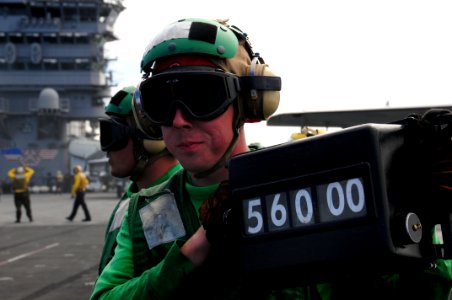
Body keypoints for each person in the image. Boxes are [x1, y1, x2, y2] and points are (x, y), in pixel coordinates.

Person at [90, 18, 297, 299]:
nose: (178, 120)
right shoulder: (144, 211)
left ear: (249, 101)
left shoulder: (296, 188)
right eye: (161, 102)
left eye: (203, 96)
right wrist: (196, 248)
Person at [97, 86, 182, 274]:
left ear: (148, 139)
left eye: (113, 135)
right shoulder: (134, 198)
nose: (107, 150)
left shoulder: (162, 206)